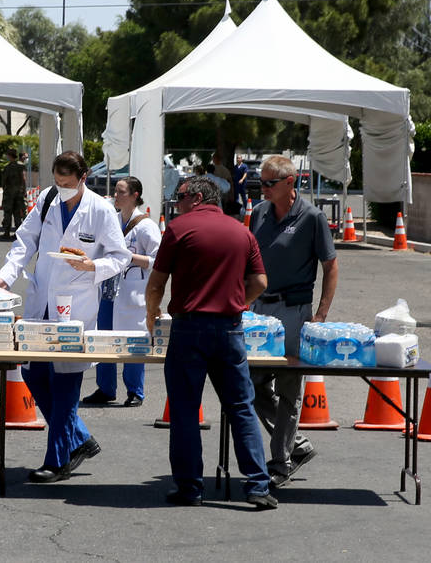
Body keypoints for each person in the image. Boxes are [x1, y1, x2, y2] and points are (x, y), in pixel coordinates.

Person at [0, 151, 131, 483]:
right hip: (41, 302)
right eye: (57, 182)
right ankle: (79, 438)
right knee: (34, 376)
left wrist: (93, 266)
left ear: (83, 178)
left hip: (77, 306)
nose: (61, 188)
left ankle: (57, 462)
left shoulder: (100, 210)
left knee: (66, 385)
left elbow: (120, 256)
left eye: (67, 183)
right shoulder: (48, 199)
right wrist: (5, 277)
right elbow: (25, 241)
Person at [144, 175, 277, 509]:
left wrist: (152, 314)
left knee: (185, 411)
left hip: (189, 329)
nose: (177, 202)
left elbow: (157, 283)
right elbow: (260, 281)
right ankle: (258, 486)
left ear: (199, 197)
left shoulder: (178, 229)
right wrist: (237, 302)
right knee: (241, 407)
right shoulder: (241, 231)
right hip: (229, 328)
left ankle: (190, 488)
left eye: (181, 196)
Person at [248, 155, 338, 489]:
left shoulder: (311, 218)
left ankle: (280, 461)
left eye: (269, 183)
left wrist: (321, 315)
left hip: (293, 311)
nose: (263, 189)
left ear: (291, 182)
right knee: (252, 383)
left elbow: (331, 266)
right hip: (260, 310)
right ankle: (295, 445)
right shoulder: (258, 214)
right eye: (261, 183)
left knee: (288, 386)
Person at [83, 176, 160, 407]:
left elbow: (159, 261)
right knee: (104, 340)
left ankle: (135, 391)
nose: (116, 196)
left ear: (135, 195)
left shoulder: (147, 226)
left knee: (134, 343)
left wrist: (128, 258)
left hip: (133, 293)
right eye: (115, 192)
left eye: (121, 192)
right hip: (108, 290)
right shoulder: (111, 220)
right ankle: (105, 389)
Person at [0, 149, 27, 239]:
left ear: (9, 156)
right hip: (19, 193)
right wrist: (24, 190)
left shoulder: (8, 167)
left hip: (9, 193)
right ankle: (18, 233)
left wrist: (4, 190)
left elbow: (4, 181)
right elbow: (23, 179)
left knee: (8, 213)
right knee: (17, 214)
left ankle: (6, 232)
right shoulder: (21, 166)